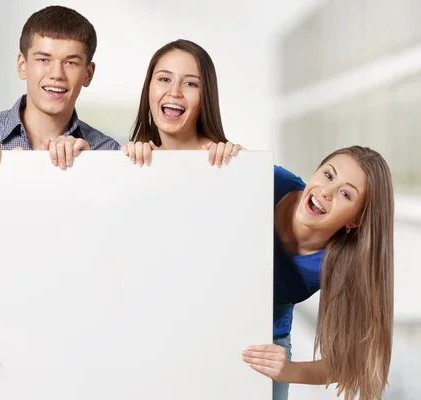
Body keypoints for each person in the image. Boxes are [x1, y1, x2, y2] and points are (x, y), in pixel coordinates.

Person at [241, 145, 394, 400]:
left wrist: (287, 371)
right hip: (212, 311)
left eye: (345, 193)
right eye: (328, 175)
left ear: (355, 220)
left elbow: (350, 360)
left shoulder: (341, 264)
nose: (326, 192)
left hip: (265, 343)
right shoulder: (268, 180)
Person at [0, 5, 120, 217]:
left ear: (88, 74)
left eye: (70, 62)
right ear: (22, 65)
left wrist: (89, 172)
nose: (56, 74)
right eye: (43, 60)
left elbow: (113, 237)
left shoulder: (106, 152)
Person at [122, 39, 243, 165]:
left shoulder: (230, 160)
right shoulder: (136, 160)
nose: (174, 92)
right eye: (164, 79)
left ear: (205, 97)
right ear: (148, 87)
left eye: (190, 83)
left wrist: (248, 163)